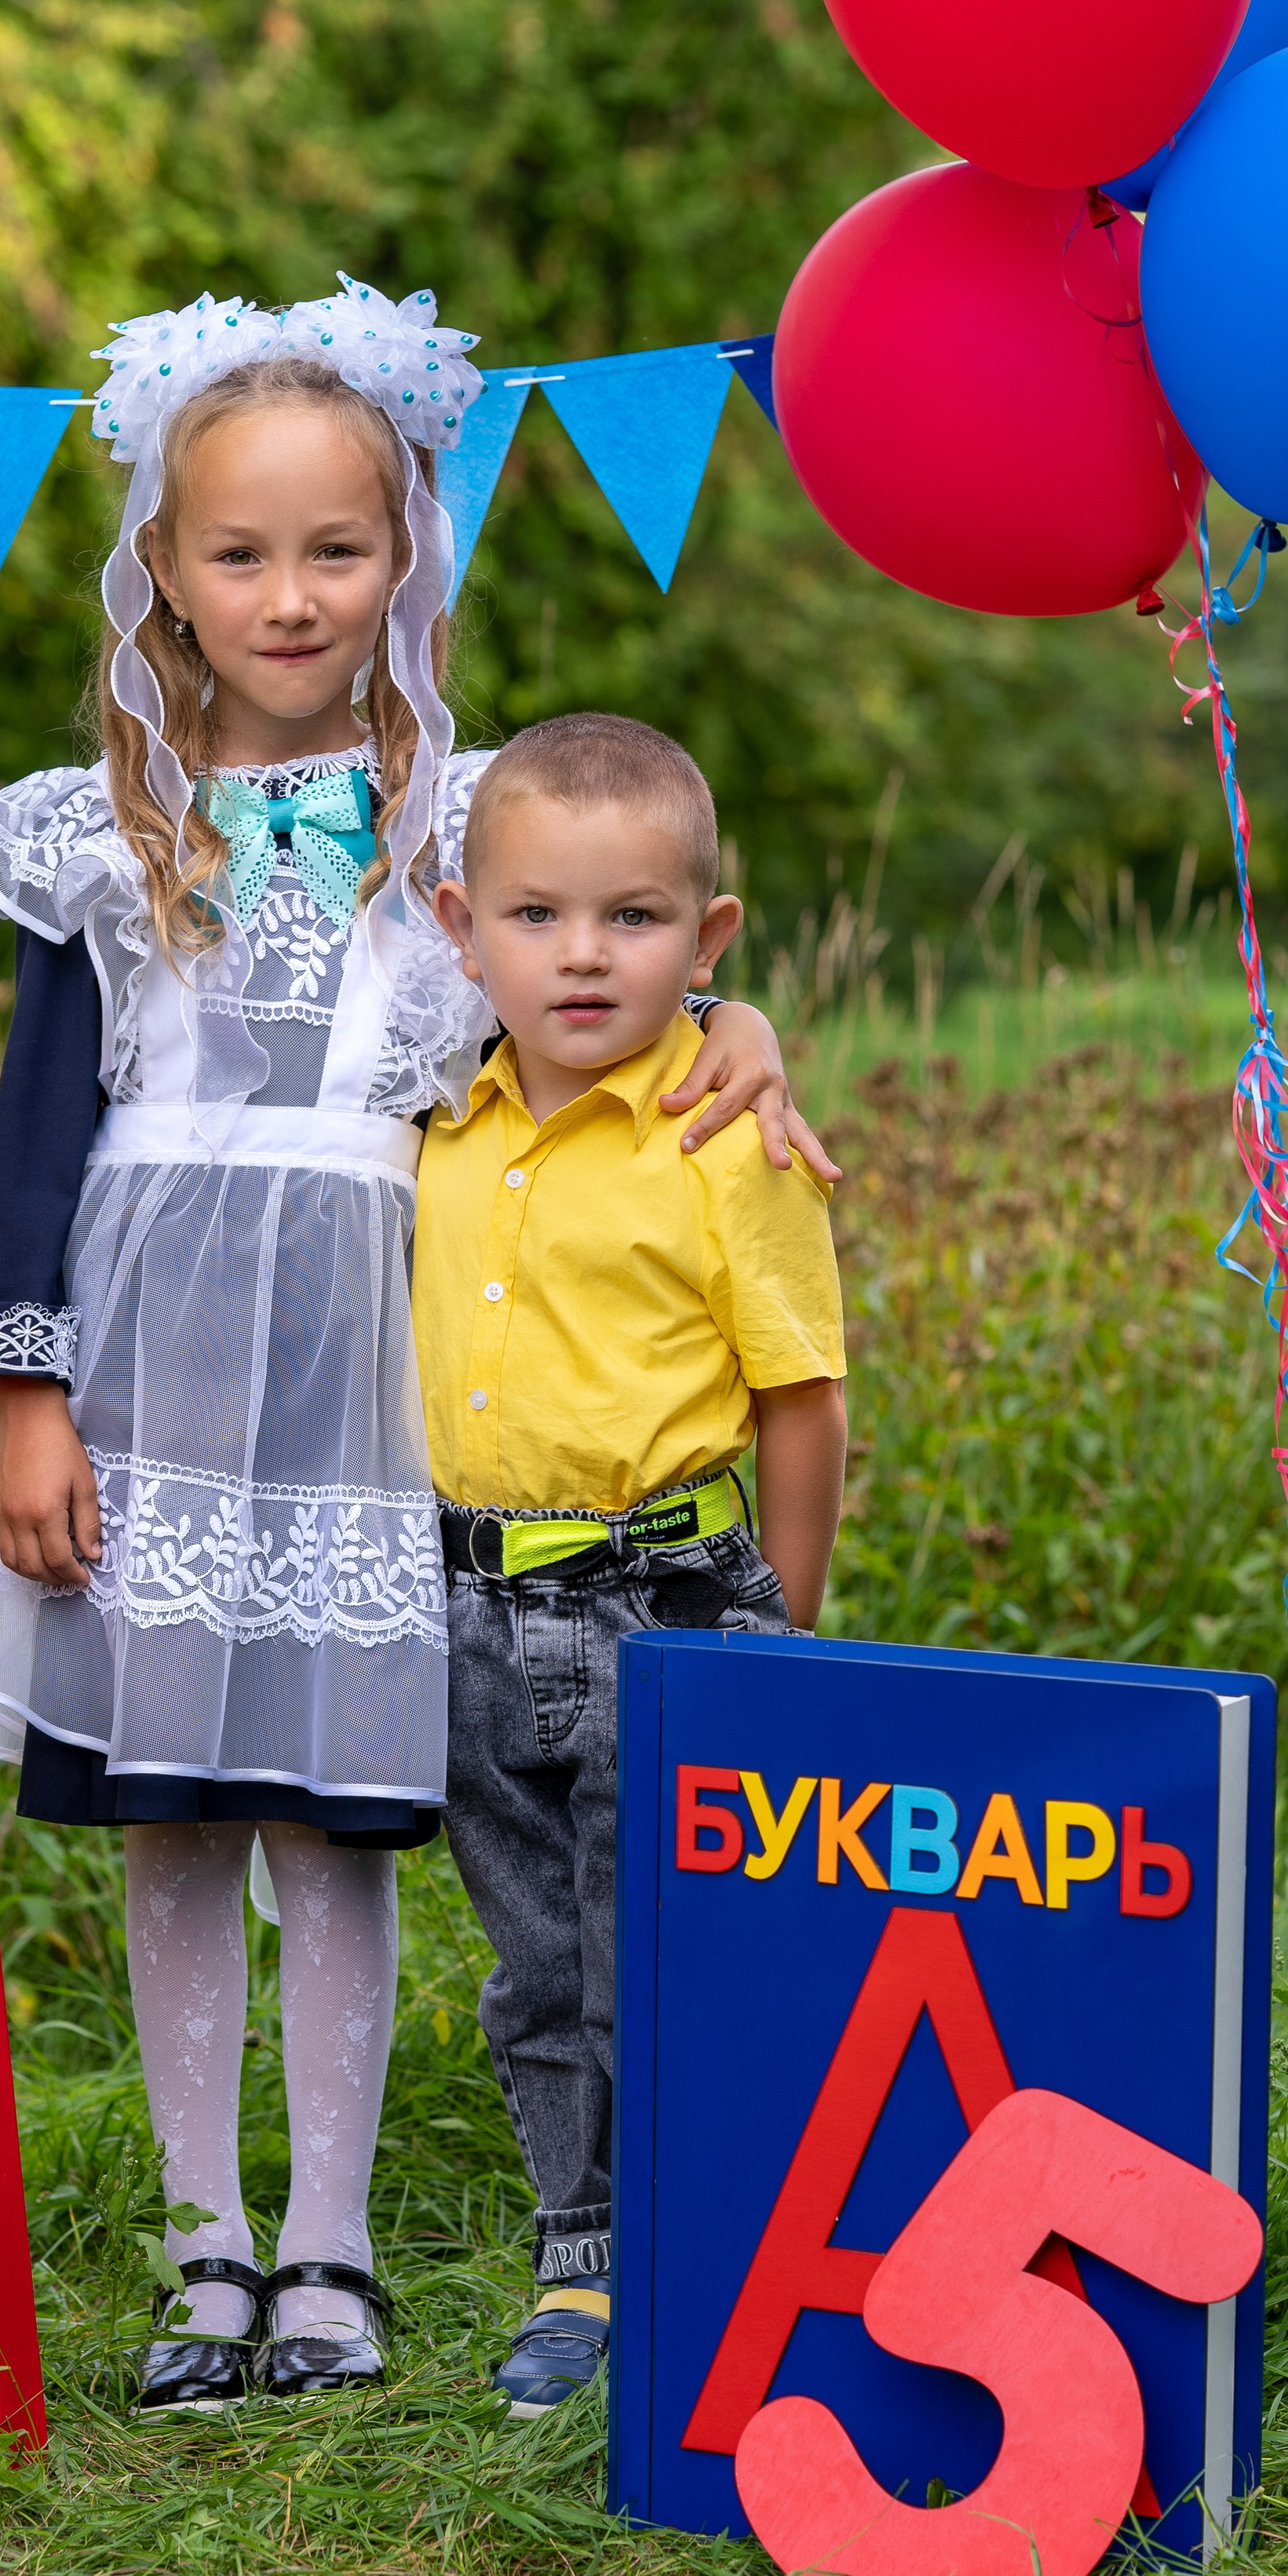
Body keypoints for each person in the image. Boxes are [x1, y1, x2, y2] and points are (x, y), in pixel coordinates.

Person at [0, 284, 828, 2415]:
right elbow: (37, 1129)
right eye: (238, 552)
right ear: (162, 563)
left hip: (365, 1386)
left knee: (342, 1812)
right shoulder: (107, 824)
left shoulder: (463, 816)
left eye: (335, 549)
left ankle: (328, 2255)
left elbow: (603, 954)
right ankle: (201, 2246)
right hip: (148, 1379)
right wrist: (30, 1396)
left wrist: (743, 1026)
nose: (288, 592)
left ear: (404, 554)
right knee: (174, 1813)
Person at [414, 711, 848, 2421]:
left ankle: (713, 2241)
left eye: (634, 919)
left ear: (708, 936)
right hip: (459, 1604)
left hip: (661, 1605)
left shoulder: (721, 1134)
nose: (581, 953)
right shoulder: (431, 1116)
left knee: (659, 1938)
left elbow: (798, 1397)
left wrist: (787, 1643)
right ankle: (577, 2251)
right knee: (534, 1957)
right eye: (533, 916)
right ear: (459, 929)